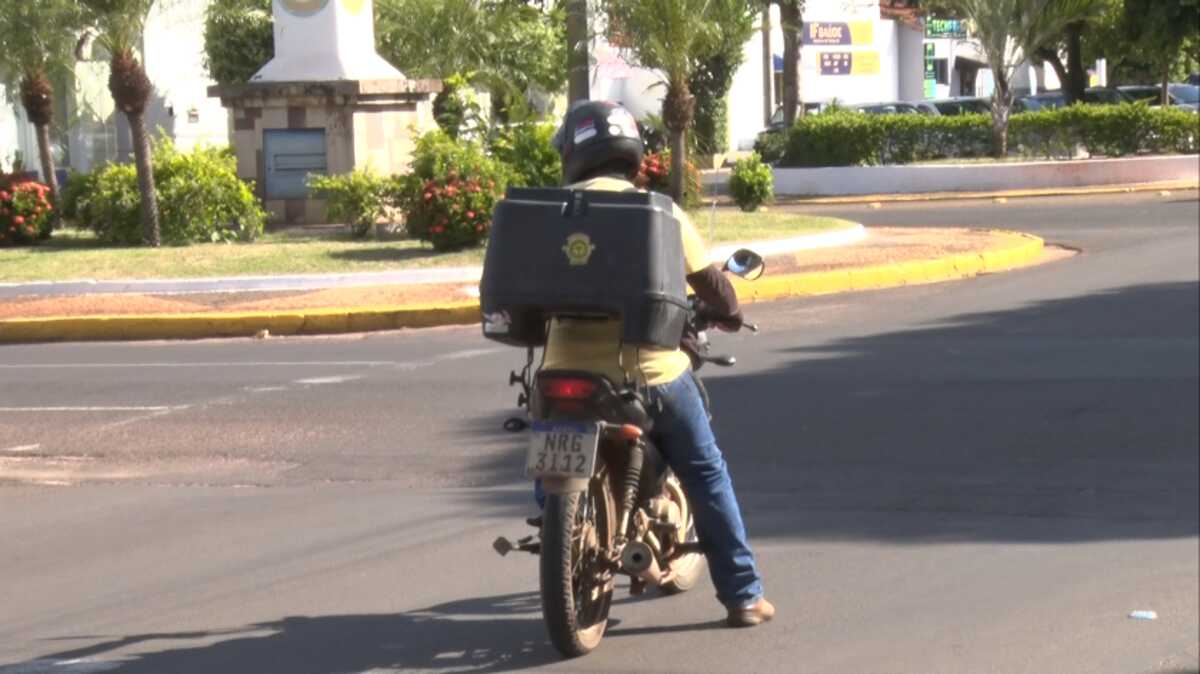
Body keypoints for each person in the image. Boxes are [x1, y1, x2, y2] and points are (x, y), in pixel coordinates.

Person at [542, 100, 774, 628]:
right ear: (631, 156)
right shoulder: (659, 211)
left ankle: (562, 511)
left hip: (561, 375)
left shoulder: (546, 213)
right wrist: (730, 312)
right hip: (648, 376)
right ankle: (743, 595)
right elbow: (714, 286)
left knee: (549, 448)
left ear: (574, 155)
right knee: (706, 470)